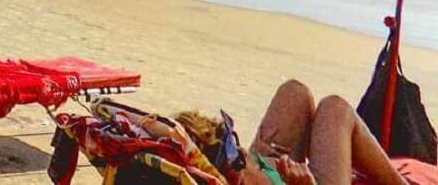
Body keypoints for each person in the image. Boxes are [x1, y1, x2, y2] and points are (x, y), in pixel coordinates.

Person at [156, 81, 408, 185]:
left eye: (229, 136)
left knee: (294, 91)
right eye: (230, 153)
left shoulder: (236, 164)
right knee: (335, 108)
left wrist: (251, 161)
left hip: (268, 170)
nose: (238, 150)